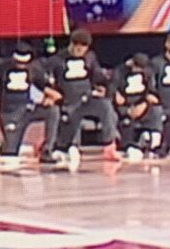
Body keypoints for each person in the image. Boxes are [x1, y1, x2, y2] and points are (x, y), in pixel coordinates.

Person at [46, 30, 119, 168]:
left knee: (106, 106)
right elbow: (45, 79)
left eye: (83, 46)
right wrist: (51, 94)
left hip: (87, 99)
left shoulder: (90, 58)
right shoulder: (57, 60)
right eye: (76, 45)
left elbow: (98, 76)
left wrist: (105, 88)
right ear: (71, 44)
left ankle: (109, 145)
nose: (79, 49)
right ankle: (62, 145)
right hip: (68, 103)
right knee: (67, 137)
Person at [0, 42, 61, 167]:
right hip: (9, 113)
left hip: (28, 109)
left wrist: (50, 98)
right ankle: (6, 144)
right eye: (19, 63)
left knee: (53, 110)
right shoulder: (2, 67)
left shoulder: (33, 69)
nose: (21, 66)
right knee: (10, 153)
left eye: (24, 63)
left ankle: (47, 149)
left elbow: (48, 89)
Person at [111, 53, 162, 161]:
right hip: (125, 106)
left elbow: (151, 92)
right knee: (124, 120)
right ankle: (129, 146)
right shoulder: (119, 72)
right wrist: (125, 107)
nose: (138, 70)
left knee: (156, 109)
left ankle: (153, 140)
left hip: (142, 104)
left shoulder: (148, 72)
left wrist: (144, 103)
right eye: (136, 67)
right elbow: (113, 91)